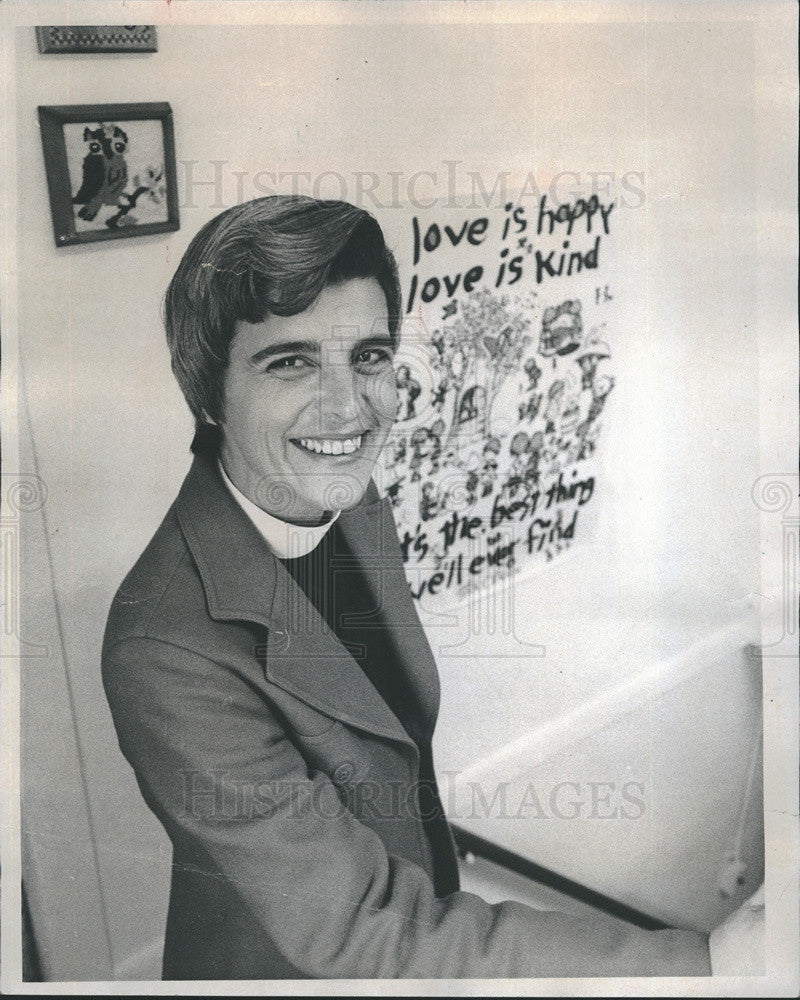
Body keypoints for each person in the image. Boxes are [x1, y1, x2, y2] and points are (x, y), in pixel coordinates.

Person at [102, 195, 759, 980]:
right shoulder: (165, 650)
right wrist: (708, 968)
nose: (348, 408)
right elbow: (367, 932)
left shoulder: (342, 495)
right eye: (291, 362)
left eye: (369, 357)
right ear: (208, 392)